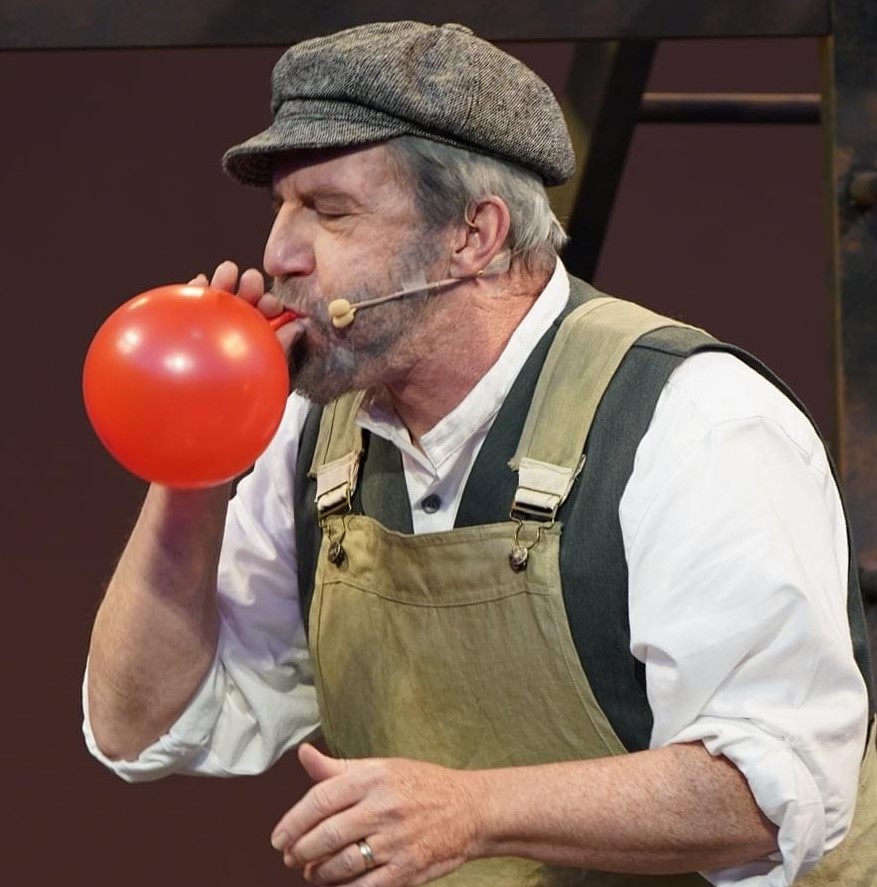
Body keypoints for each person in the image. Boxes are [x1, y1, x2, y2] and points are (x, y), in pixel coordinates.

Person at [82, 20, 876, 887]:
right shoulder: (308, 433)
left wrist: (472, 811)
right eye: (280, 207)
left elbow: (772, 790)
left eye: (329, 210)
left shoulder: (690, 419)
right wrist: (194, 456)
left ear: (473, 235)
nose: (278, 253)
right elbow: (143, 727)